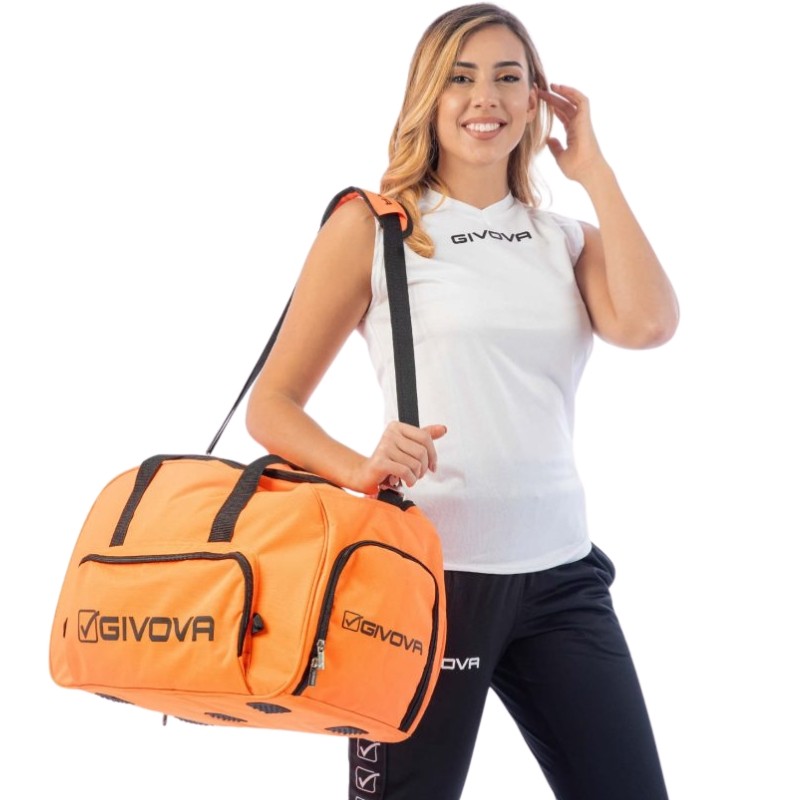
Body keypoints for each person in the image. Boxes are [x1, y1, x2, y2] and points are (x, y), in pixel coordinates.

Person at [246, 4, 679, 798]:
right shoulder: (377, 228)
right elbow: (272, 405)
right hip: (427, 584)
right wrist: (360, 466)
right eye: (461, 77)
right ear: (428, 95)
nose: (486, 97)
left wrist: (595, 173)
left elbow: (649, 325)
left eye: (508, 77)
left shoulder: (564, 237)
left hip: (562, 578)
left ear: (536, 99)